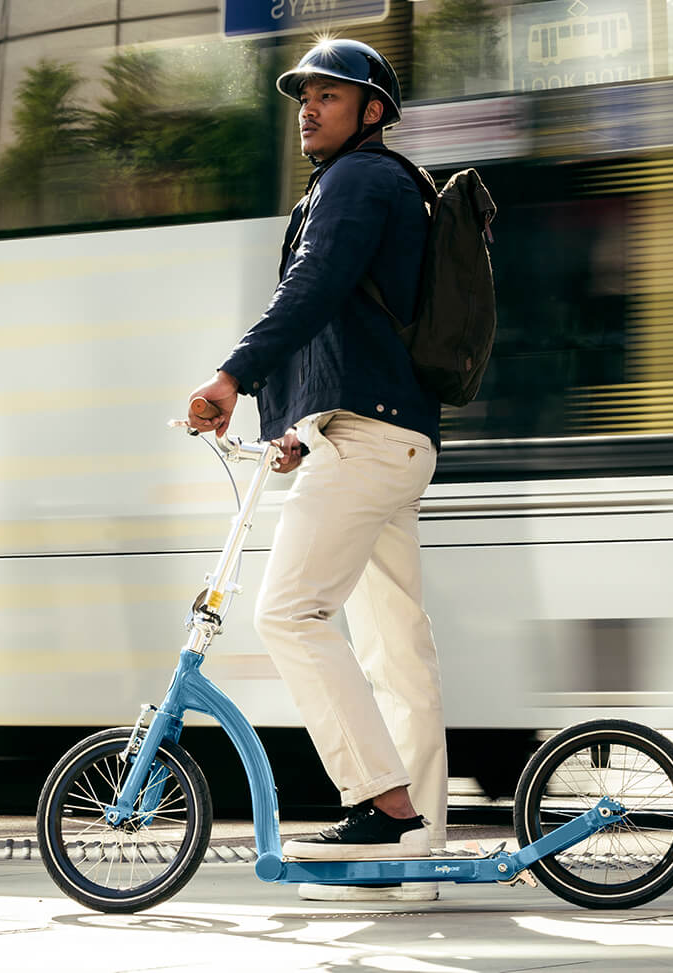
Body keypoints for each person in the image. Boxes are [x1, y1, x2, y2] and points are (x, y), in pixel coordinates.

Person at [184, 39, 446, 902]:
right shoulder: (379, 185)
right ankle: (414, 860)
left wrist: (233, 375)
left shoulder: (357, 181)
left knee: (288, 612)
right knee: (398, 656)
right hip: (392, 439)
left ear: (373, 111)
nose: (309, 107)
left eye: (330, 95)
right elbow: (346, 325)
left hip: (368, 442)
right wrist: (296, 426)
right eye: (305, 96)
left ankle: (382, 806)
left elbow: (311, 289)